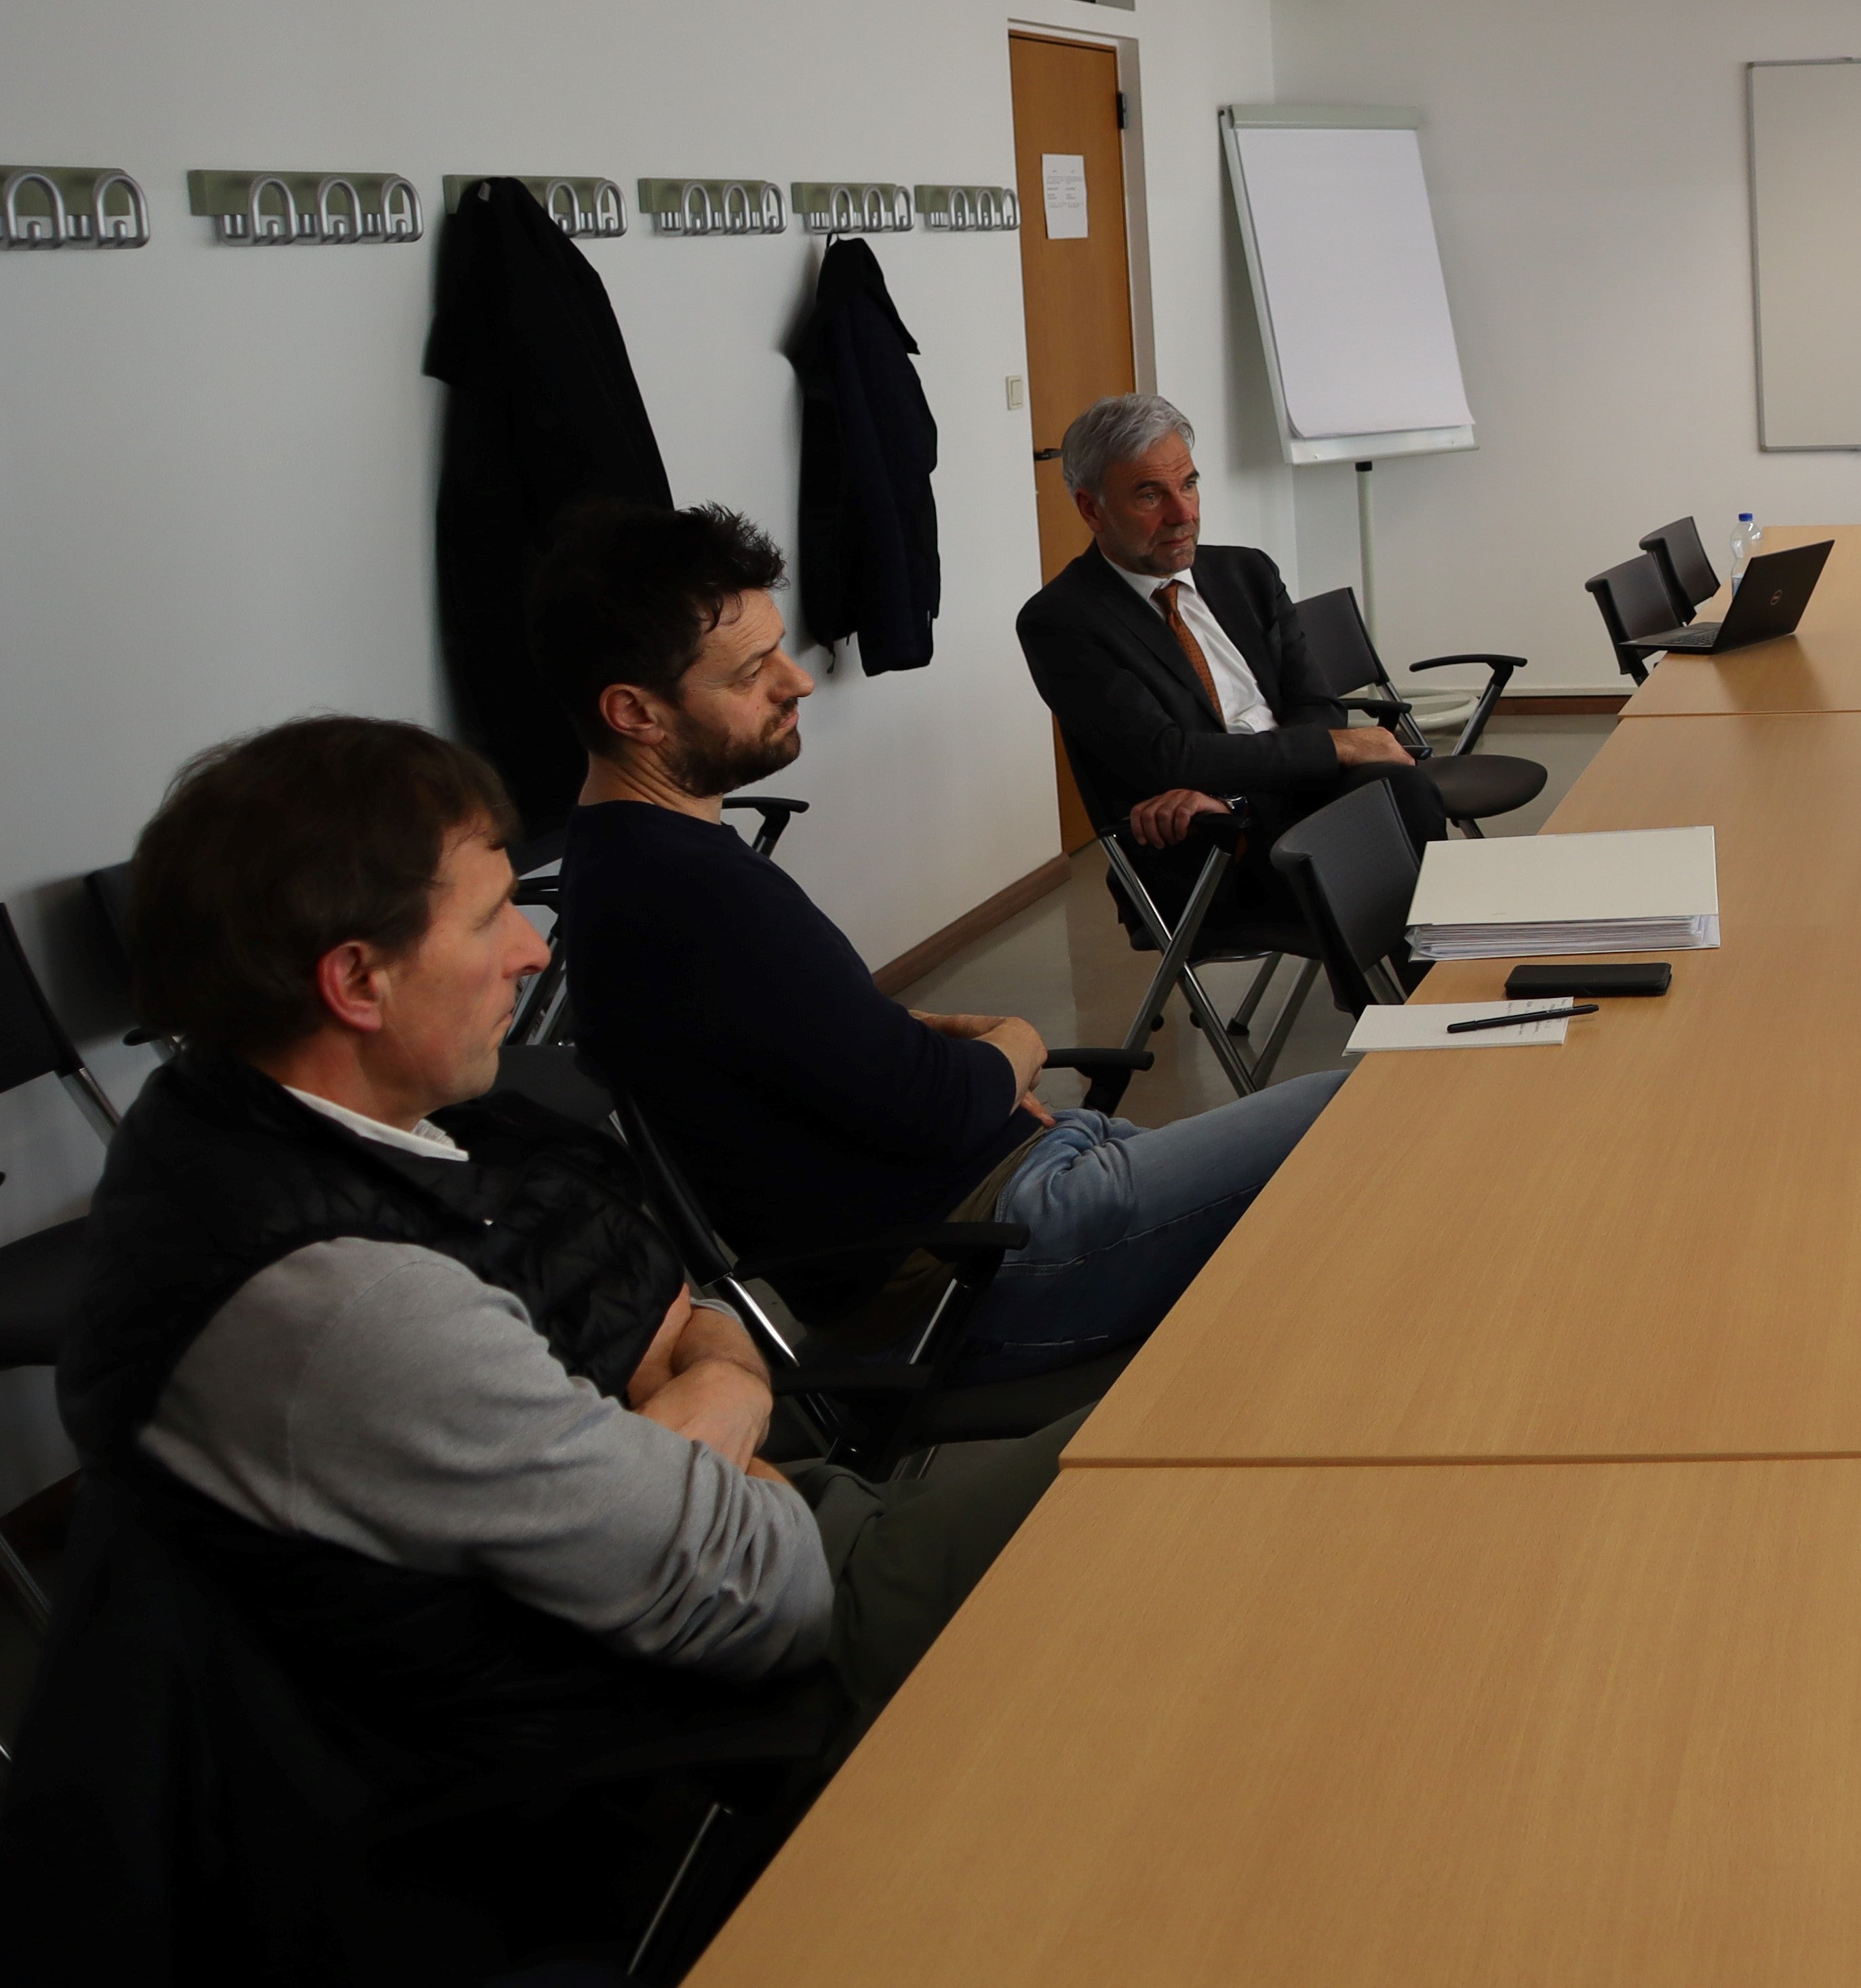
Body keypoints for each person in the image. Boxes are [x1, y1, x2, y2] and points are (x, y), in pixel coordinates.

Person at [50, 717, 1072, 1784]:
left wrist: (715, 1385)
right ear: (358, 981)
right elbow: (755, 1587)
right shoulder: (348, 1306)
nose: (535, 950)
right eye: (491, 918)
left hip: (761, 1531)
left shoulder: (336, 1123)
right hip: (769, 1647)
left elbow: (685, 1308)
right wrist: (721, 1401)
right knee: (1167, 1488)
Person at [543, 501, 1345, 1377]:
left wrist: (941, 1046)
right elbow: (937, 1103)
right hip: (978, 1264)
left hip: (1004, 1203)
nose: (797, 681)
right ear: (636, 712)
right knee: (1356, 1113)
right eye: (750, 671)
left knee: (1340, 1190)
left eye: (779, 650)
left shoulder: (631, 861)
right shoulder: (691, 892)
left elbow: (816, 1043)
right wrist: (1016, 1041)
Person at [1015, 390, 1442, 927]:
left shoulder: (1247, 574)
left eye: (1189, 485)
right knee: (1384, 832)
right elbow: (1169, 759)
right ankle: (1430, 971)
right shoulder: (1062, 621)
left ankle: (1434, 967)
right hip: (1208, 850)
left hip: (1274, 807)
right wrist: (1335, 750)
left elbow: (1317, 705)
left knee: (1398, 797)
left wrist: (1250, 797)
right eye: (1150, 495)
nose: (1183, 514)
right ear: (1091, 509)